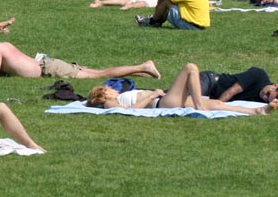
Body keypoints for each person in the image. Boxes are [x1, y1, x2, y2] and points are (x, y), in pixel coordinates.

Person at [0, 27, 161, 79]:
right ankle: (142, 72)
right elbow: (2, 70)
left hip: (50, 69)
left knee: (100, 74)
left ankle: (144, 66)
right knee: (99, 72)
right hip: (48, 65)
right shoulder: (4, 45)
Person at [87, 63, 275, 115]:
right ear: (102, 95)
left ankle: (256, 110)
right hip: (160, 102)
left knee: (216, 104)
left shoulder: (116, 97)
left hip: (163, 100)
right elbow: (128, 111)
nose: (113, 89)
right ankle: (200, 104)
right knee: (190, 68)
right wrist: (151, 94)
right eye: (109, 89)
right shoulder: (110, 102)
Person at [198, 67, 275, 103]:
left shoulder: (263, 102)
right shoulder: (259, 75)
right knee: (190, 100)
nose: (264, 98)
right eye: (268, 94)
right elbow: (232, 91)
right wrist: (217, 105)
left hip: (211, 97)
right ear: (275, 85)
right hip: (211, 82)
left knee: (192, 103)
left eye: (267, 100)